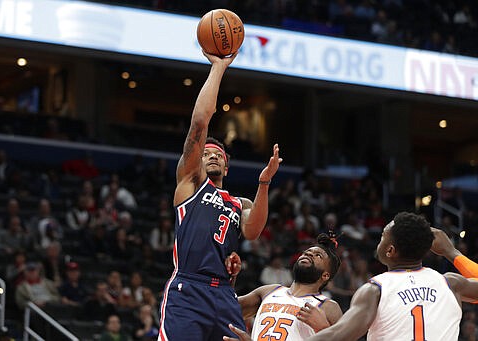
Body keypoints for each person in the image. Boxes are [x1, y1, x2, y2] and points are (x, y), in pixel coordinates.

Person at [158, 50, 283, 341]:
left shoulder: (240, 203)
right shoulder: (191, 184)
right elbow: (200, 122)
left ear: (226, 164)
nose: (211, 157)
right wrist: (218, 67)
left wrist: (264, 183)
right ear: (197, 161)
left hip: (225, 293)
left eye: (218, 155)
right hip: (188, 287)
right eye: (206, 154)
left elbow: (252, 231)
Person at [225, 212, 478, 341]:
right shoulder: (450, 283)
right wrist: (451, 252)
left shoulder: (376, 289)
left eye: (382, 238)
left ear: (389, 251)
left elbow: (338, 336)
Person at [236, 233, 342, 340]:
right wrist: (229, 277)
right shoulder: (269, 291)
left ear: (325, 275)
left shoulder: (328, 307)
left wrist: (323, 328)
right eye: (306, 252)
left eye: (318, 255)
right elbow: (226, 308)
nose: (309, 254)